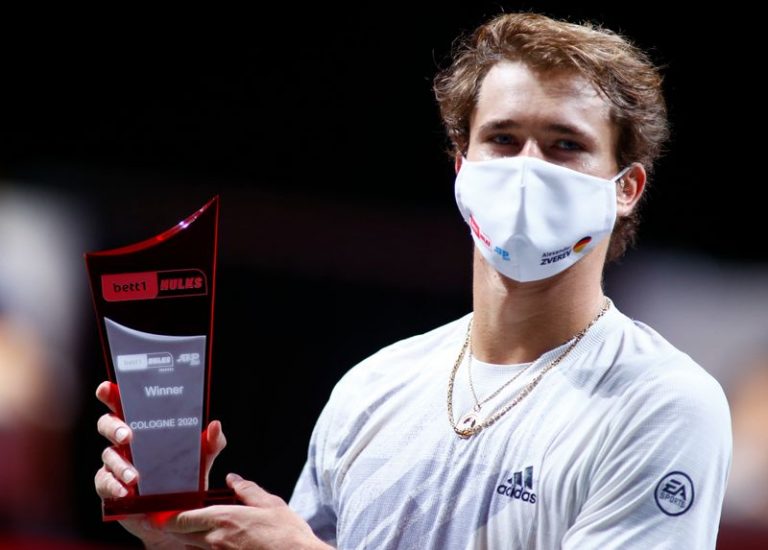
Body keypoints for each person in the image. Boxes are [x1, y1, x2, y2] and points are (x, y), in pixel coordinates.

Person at [94, 12, 732, 549]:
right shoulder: (372, 388)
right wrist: (178, 535)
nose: (527, 169)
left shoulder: (664, 404)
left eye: (565, 144)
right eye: (503, 139)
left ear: (626, 188)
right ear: (462, 167)